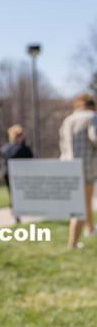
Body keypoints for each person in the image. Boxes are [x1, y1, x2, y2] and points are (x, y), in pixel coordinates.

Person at [59, 94, 97, 248]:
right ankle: (73, 243)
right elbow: (95, 138)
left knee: (83, 202)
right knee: (81, 205)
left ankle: (90, 229)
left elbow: (62, 144)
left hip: (68, 166)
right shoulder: (92, 117)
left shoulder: (68, 120)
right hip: (86, 166)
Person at [0, 124, 34, 223]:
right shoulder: (21, 148)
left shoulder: (4, 148)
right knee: (17, 196)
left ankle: (16, 214)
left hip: (8, 174)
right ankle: (16, 214)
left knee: (13, 195)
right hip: (16, 176)